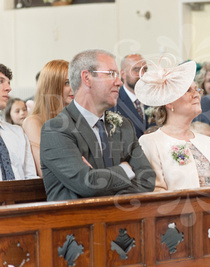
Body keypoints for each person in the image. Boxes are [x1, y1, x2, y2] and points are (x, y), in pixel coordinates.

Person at [40, 49, 155, 201]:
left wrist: (100, 179)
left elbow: (147, 180)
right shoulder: (57, 129)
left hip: (122, 220)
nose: (119, 81)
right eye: (110, 74)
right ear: (87, 78)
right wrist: (125, 170)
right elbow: (87, 183)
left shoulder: (123, 125)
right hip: (79, 221)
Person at [136, 60, 210, 192]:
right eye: (188, 90)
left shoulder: (209, 142)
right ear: (169, 102)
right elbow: (156, 193)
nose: (197, 94)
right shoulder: (151, 142)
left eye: (197, 89)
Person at [0, 62, 38, 181]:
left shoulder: (18, 133)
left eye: (8, 83)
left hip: (21, 197)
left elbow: (30, 177)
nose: (8, 88)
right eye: (0, 81)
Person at [22, 59, 73, 177]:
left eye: (74, 82)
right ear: (52, 86)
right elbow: (44, 170)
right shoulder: (33, 122)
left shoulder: (75, 118)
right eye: (66, 83)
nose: (73, 88)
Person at [109, 54, 151, 138]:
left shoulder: (154, 100)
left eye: (145, 70)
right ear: (123, 74)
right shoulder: (113, 103)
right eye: (136, 70)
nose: (142, 74)